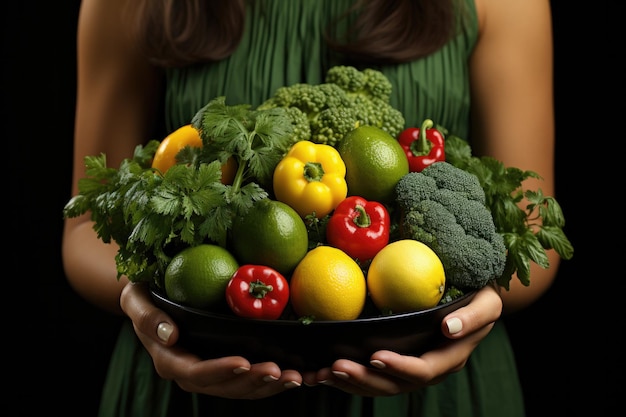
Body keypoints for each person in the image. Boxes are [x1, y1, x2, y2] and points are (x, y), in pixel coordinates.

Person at [62, 0, 559, 416]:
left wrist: (475, 307)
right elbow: (85, 224)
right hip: (184, 380)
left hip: (436, 391)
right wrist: (148, 306)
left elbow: (531, 227)